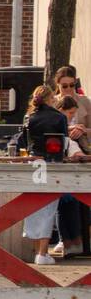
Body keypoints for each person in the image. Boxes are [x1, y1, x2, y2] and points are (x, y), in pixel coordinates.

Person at [22, 85, 67, 265]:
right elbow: (64, 142)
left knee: (33, 207)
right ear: (51, 99)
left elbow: (25, 142)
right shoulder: (59, 117)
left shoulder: (29, 118)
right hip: (53, 164)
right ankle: (42, 252)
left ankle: (37, 252)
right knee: (49, 207)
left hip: (34, 164)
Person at [51, 94, 89, 258]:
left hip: (70, 170)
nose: (72, 116)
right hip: (60, 171)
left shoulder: (68, 124)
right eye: (70, 113)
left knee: (72, 203)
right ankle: (67, 242)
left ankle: (74, 243)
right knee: (66, 204)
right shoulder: (57, 123)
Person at [52, 66, 91, 156]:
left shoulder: (85, 101)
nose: (69, 88)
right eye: (64, 86)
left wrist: (83, 130)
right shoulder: (53, 103)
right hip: (59, 147)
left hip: (84, 146)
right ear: (58, 84)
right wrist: (69, 130)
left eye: (72, 85)